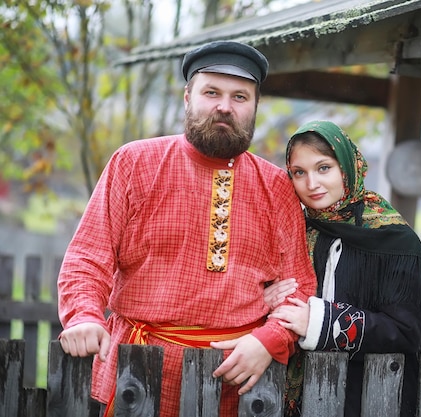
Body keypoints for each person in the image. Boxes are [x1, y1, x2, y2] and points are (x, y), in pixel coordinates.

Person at [56, 40, 317, 417]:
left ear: (255, 107)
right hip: (135, 373)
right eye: (211, 92)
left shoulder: (276, 186)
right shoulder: (134, 162)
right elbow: (87, 256)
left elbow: (300, 286)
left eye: (240, 97)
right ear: (187, 97)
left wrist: (268, 340)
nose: (225, 106)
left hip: (241, 386)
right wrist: (84, 315)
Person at [264, 120, 421, 417]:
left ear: (346, 168)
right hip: (291, 399)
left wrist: (320, 322)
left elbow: (407, 332)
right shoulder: (292, 233)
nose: (312, 183)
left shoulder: (394, 239)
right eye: (299, 172)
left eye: (323, 167)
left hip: (371, 397)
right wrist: (265, 300)